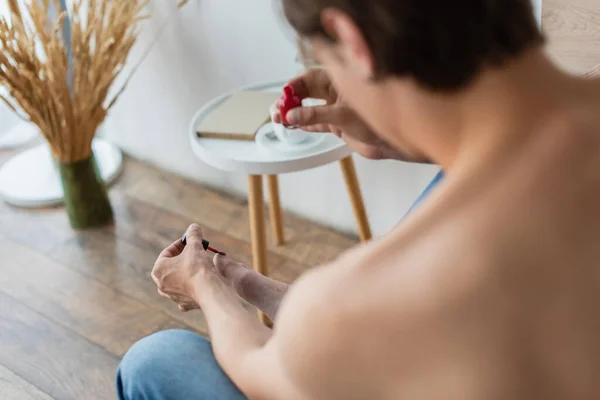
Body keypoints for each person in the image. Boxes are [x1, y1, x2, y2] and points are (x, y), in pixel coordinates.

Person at [117, 0, 600, 398]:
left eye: (325, 59)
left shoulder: (351, 304)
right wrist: (242, 279)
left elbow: (258, 367)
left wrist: (205, 285)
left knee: (155, 362)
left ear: (351, 40)